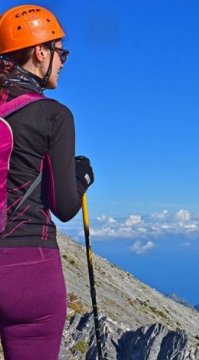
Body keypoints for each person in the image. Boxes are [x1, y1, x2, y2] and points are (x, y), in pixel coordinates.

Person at [0, 4, 94, 359]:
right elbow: (65, 206)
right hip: (29, 268)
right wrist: (81, 175)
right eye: (60, 51)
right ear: (39, 53)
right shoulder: (53, 115)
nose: (64, 61)